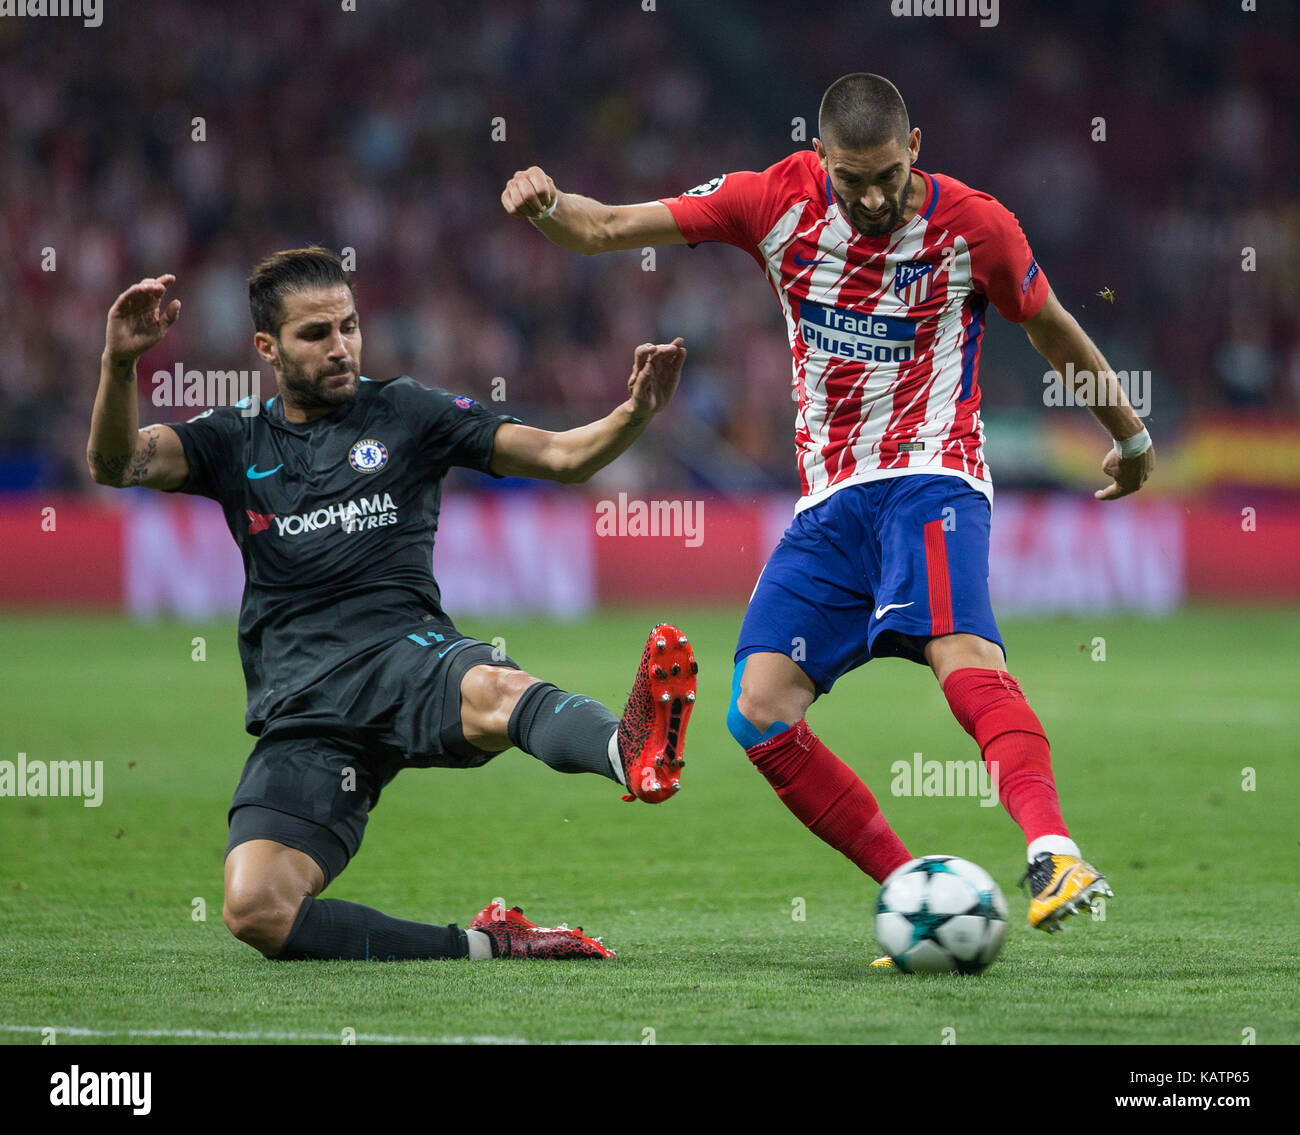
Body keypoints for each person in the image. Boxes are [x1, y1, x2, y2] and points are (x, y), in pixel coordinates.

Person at [502, 72, 1155, 938]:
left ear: (914, 148)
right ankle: (916, 890)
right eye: (853, 180)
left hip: (934, 476)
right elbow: (609, 227)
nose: (875, 195)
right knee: (757, 709)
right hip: (828, 506)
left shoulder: (975, 225)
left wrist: (1131, 436)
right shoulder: (771, 200)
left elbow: (1051, 325)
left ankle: (1052, 848)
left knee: (962, 654)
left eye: (889, 173)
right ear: (821, 160)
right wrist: (547, 207)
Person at [87, 246, 697, 962]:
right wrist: (120, 365)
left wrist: (635, 411)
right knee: (256, 907)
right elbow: (114, 464)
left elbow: (564, 457)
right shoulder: (232, 438)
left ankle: (627, 750)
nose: (340, 347)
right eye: (316, 334)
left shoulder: (407, 411)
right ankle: (489, 943)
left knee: (495, 684)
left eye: (348, 326)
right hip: (304, 707)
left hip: (406, 656)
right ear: (267, 347)